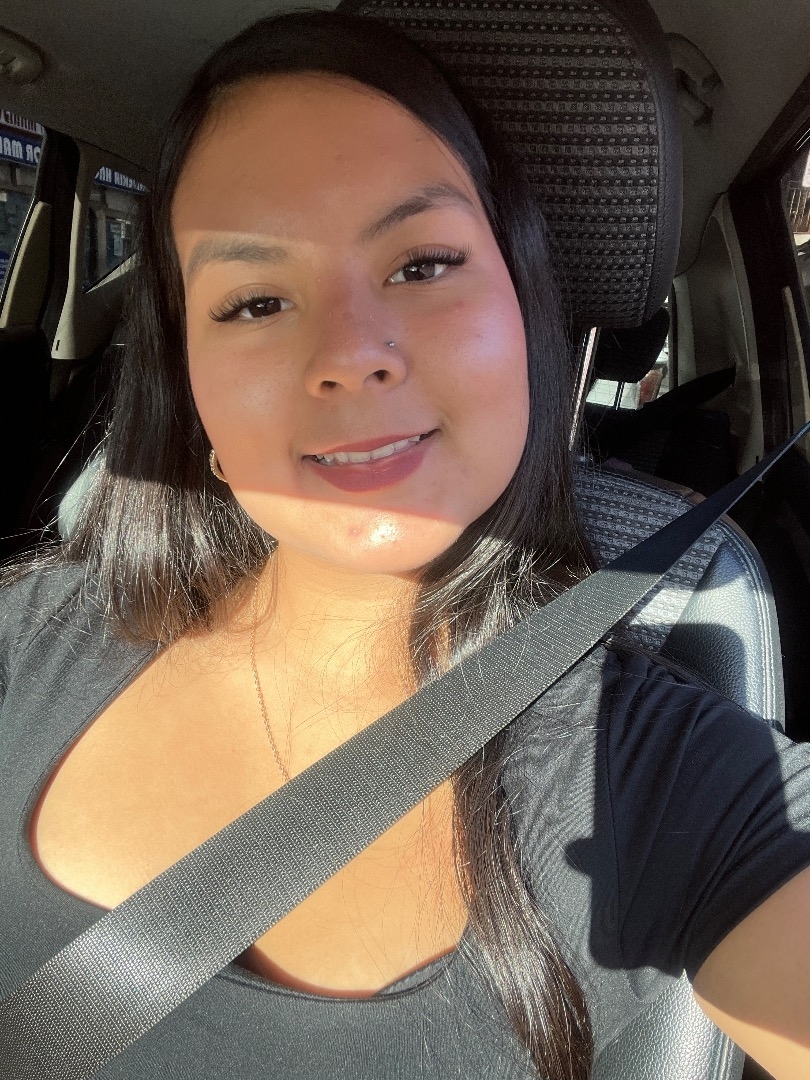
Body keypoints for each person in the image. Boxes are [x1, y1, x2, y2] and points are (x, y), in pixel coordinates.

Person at [1, 9, 809, 1079]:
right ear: (191, 391)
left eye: (423, 264)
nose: (349, 353)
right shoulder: (24, 638)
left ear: (524, 310)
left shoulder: (655, 777)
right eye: (255, 300)